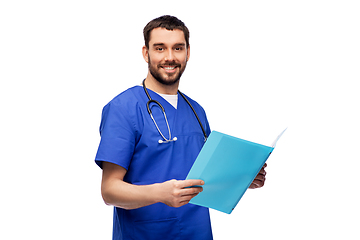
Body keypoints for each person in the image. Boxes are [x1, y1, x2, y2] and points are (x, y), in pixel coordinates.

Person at [95, 15, 267, 240]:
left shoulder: (196, 110)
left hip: (198, 232)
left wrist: (241, 179)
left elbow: (205, 177)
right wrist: (160, 193)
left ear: (188, 52)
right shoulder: (123, 108)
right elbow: (109, 191)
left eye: (177, 48)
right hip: (146, 234)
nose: (169, 57)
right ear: (146, 53)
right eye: (160, 48)